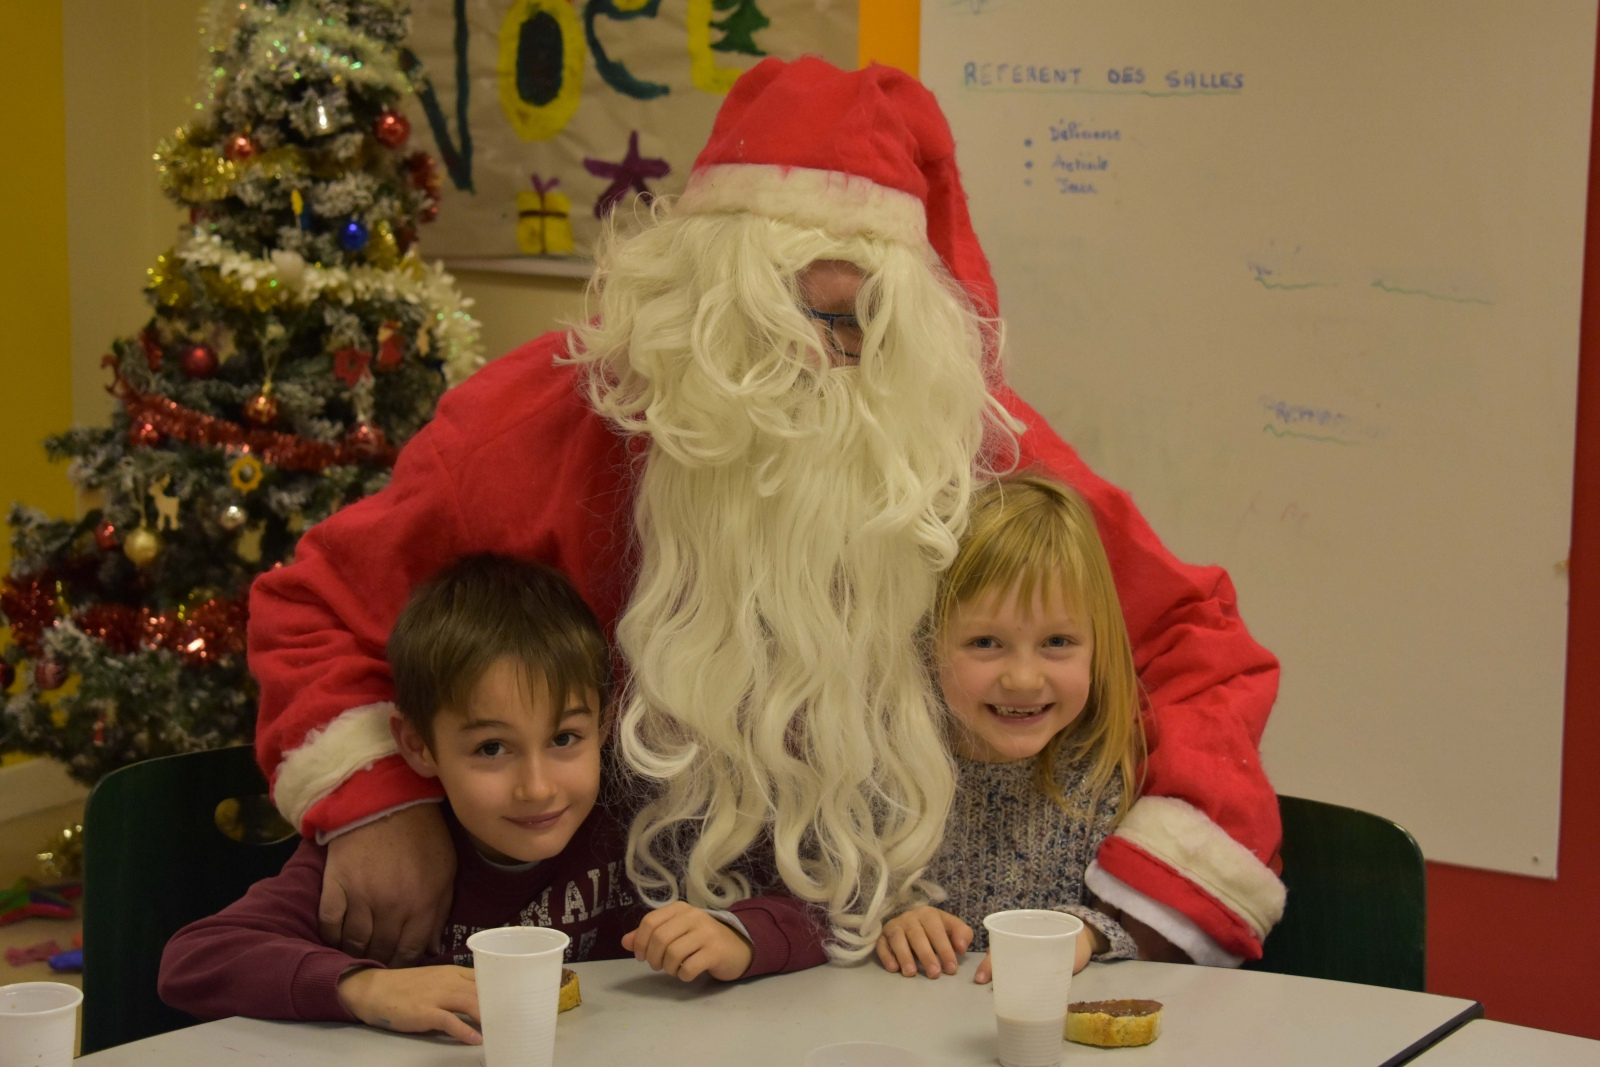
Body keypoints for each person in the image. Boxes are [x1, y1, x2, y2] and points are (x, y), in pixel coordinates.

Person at [249, 56, 1284, 974]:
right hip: (606, 959)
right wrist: (380, 800)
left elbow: (1199, 645)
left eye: (859, 325)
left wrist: (1126, 907)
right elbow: (319, 608)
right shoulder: (544, 422)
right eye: (781, 315)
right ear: (702, 302)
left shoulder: (955, 435)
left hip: (902, 970)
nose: (821, 361)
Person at [162, 556, 826, 1044]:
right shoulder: (380, 863)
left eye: (565, 737)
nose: (537, 786)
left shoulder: (642, 819)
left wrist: (736, 937)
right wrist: (366, 987)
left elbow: (821, 906)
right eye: (490, 749)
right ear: (419, 746)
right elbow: (195, 958)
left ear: (605, 721)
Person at [875, 476, 1145, 981]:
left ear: (1098, 646)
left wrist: (1081, 931)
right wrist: (894, 923)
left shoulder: (1105, 779)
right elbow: (818, 912)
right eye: (985, 643)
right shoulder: (883, 775)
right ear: (927, 645)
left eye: (1058, 642)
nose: (1023, 678)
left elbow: (1141, 940)